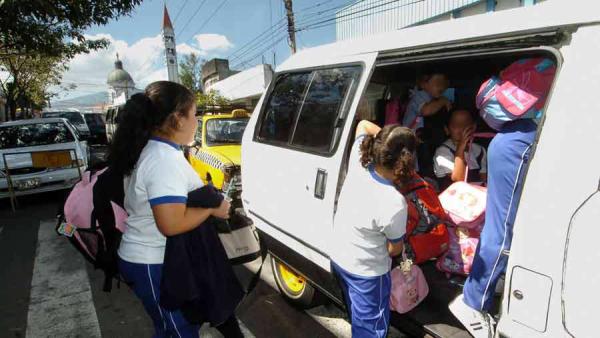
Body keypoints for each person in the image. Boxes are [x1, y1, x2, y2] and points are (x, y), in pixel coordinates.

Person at [108, 81, 240, 338]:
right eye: (194, 114)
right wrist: (213, 210)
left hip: (154, 258)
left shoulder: (157, 150)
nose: (196, 121)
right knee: (179, 331)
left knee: (174, 328)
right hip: (151, 261)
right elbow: (170, 224)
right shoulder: (163, 160)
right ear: (177, 119)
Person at [449, 119, 537, 338]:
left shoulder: (500, 140)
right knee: (502, 231)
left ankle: (488, 282)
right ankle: (473, 302)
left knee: (502, 227)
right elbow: (456, 179)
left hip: (512, 145)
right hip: (517, 148)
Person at [331, 120, 416, 338]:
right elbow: (394, 250)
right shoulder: (394, 202)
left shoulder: (359, 164)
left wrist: (387, 141)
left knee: (358, 317)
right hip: (367, 274)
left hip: (341, 258)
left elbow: (363, 125)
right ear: (405, 162)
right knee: (371, 330)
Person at [434, 109, 487, 191]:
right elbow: (459, 179)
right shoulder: (442, 152)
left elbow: (483, 180)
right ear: (447, 129)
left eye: (466, 124)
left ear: (473, 127)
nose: (461, 127)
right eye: (455, 125)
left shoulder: (480, 150)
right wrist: (461, 147)